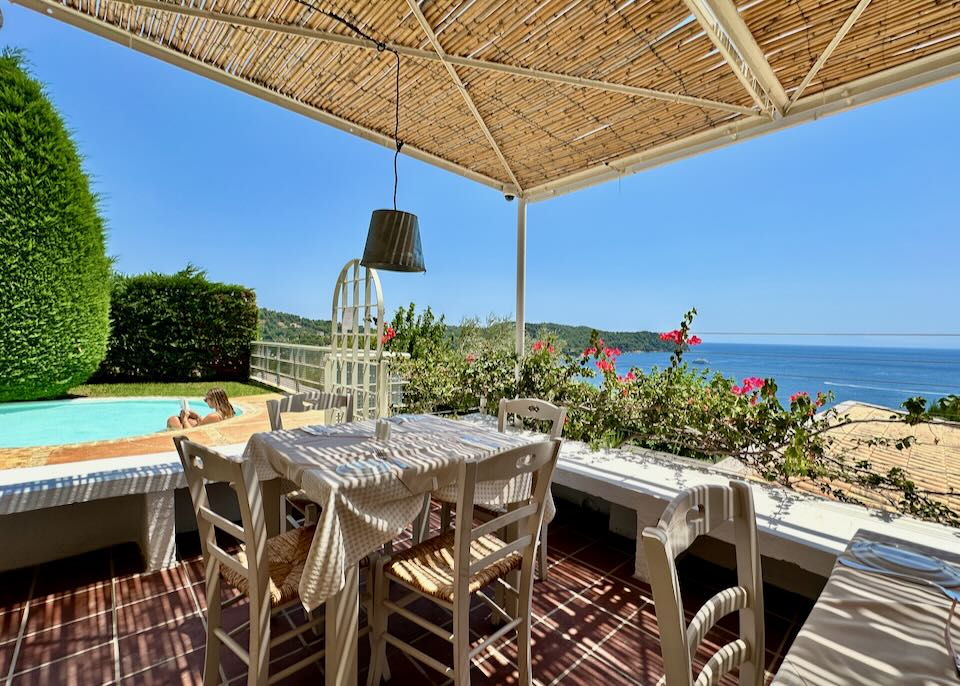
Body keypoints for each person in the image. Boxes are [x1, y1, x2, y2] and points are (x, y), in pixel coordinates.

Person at [167, 388, 236, 429]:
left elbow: (191, 432)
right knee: (190, 420)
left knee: (172, 420)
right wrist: (197, 416)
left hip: (194, 436)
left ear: (214, 400)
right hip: (206, 429)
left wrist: (184, 418)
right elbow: (208, 423)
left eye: (206, 399)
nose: (205, 401)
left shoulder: (214, 416)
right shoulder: (229, 411)